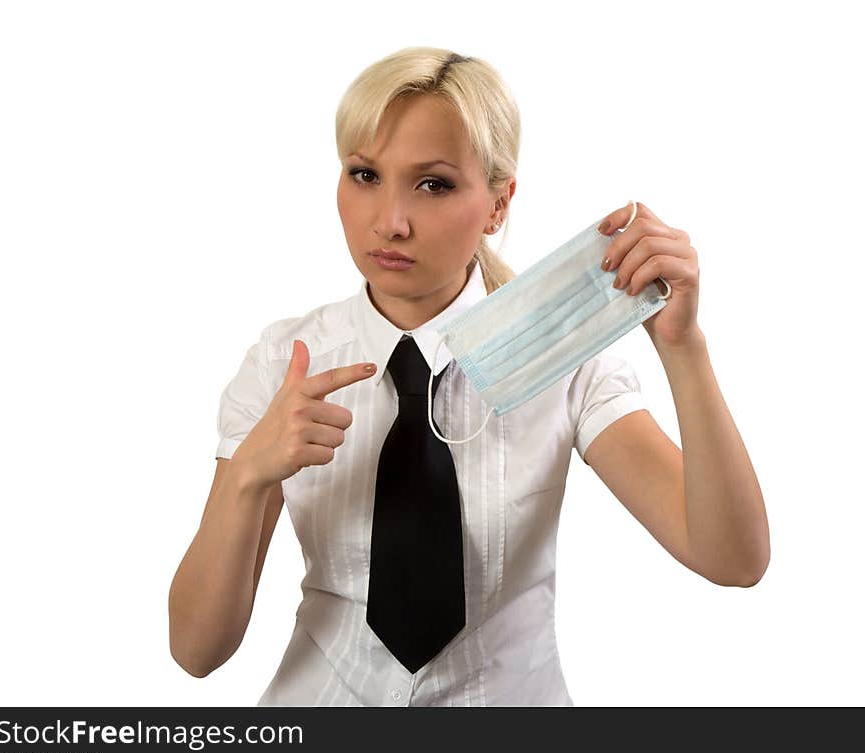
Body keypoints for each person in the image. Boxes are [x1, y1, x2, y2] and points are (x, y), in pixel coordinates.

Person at [168, 47, 770, 706]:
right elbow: (197, 649)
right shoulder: (286, 361)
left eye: (433, 184)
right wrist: (249, 474)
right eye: (365, 174)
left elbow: (732, 558)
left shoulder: (562, 357)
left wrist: (684, 349)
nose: (389, 221)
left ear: (498, 203)